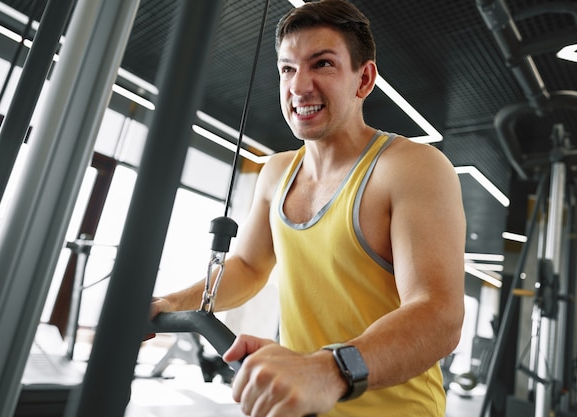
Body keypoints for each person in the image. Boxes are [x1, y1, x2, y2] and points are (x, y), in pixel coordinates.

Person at [149, 0, 466, 415]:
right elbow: (247, 267)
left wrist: (328, 370)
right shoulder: (276, 171)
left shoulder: (409, 167)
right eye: (287, 68)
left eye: (322, 64)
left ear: (364, 79)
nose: (299, 86)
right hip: (304, 407)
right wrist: (171, 303)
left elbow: (438, 314)